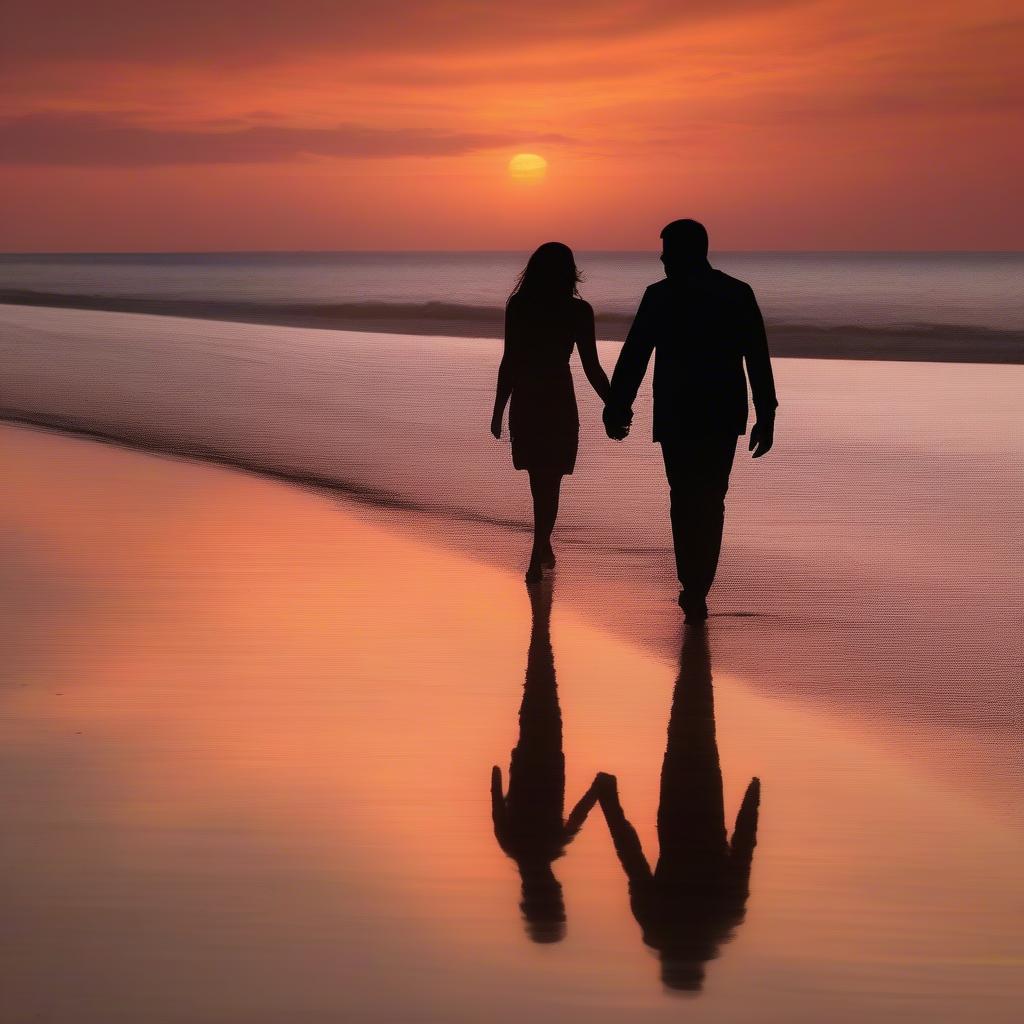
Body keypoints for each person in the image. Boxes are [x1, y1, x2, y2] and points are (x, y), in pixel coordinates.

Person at [604, 220, 778, 622]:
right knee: (710, 498)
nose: (662, 257)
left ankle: (693, 585)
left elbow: (634, 356)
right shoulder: (735, 293)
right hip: (721, 412)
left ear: (687, 251)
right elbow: (758, 358)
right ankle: (699, 585)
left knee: (684, 497)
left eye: (667, 250)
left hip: (678, 410)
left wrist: (618, 406)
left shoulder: (661, 296)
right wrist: (765, 413)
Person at [593, 626, 760, 991]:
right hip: (674, 812)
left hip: (699, 808)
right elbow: (630, 854)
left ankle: (694, 648)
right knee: (687, 727)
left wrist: (753, 796)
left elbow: (745, 848)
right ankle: (694, 644)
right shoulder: (665, 921)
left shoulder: (717, 918)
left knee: (700, 727)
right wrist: (608, 801)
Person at [491, 242, 612, 582]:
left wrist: (498, 410)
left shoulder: (519, 305)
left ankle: (540, 547)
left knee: (537, 480)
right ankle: (539, 547)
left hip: (528, 395)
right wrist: (614, 403)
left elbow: (510, 360)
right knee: (552, 480)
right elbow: (592, 367)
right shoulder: (578, 311)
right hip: (558, 396)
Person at [490, 579, 601, 942]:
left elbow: (583, 809)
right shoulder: (511, 843)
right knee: (535, 692)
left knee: (544, 691)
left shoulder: (552, 845)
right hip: (527, 754)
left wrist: (601, 789)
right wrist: (499, 773)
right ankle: (541, 630)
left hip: (551, 756)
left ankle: (541, 629)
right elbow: (495, 795)